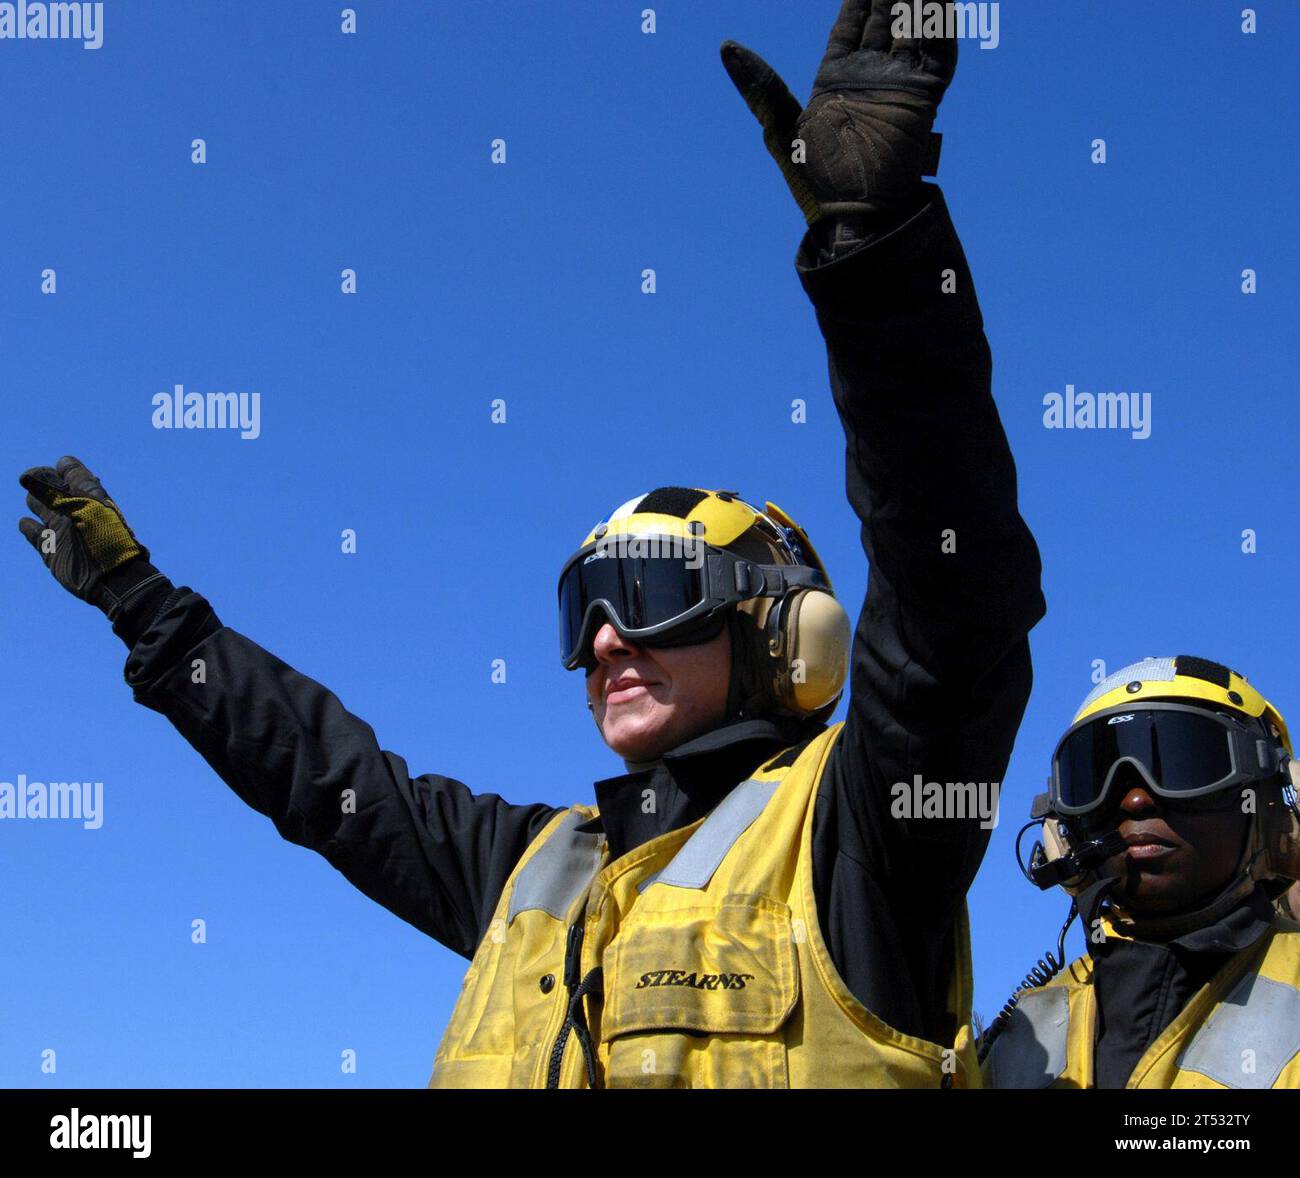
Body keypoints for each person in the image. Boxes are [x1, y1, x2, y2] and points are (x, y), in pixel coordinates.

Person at [16, 0, 1043, 1088]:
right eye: (584, 606)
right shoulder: (534, 867)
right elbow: (326, 778)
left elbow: (954, 587)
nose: (601, 642)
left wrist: (874, 256)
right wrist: (144, 605)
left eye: (647, 594)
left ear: (786, 628)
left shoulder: (864, 831)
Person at [983, 655, 1300, 1090]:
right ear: (1064, 831)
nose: (1134, 801)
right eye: (1098, 776)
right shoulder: (1018, 1038)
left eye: (1180, 762)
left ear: (1271, 803)